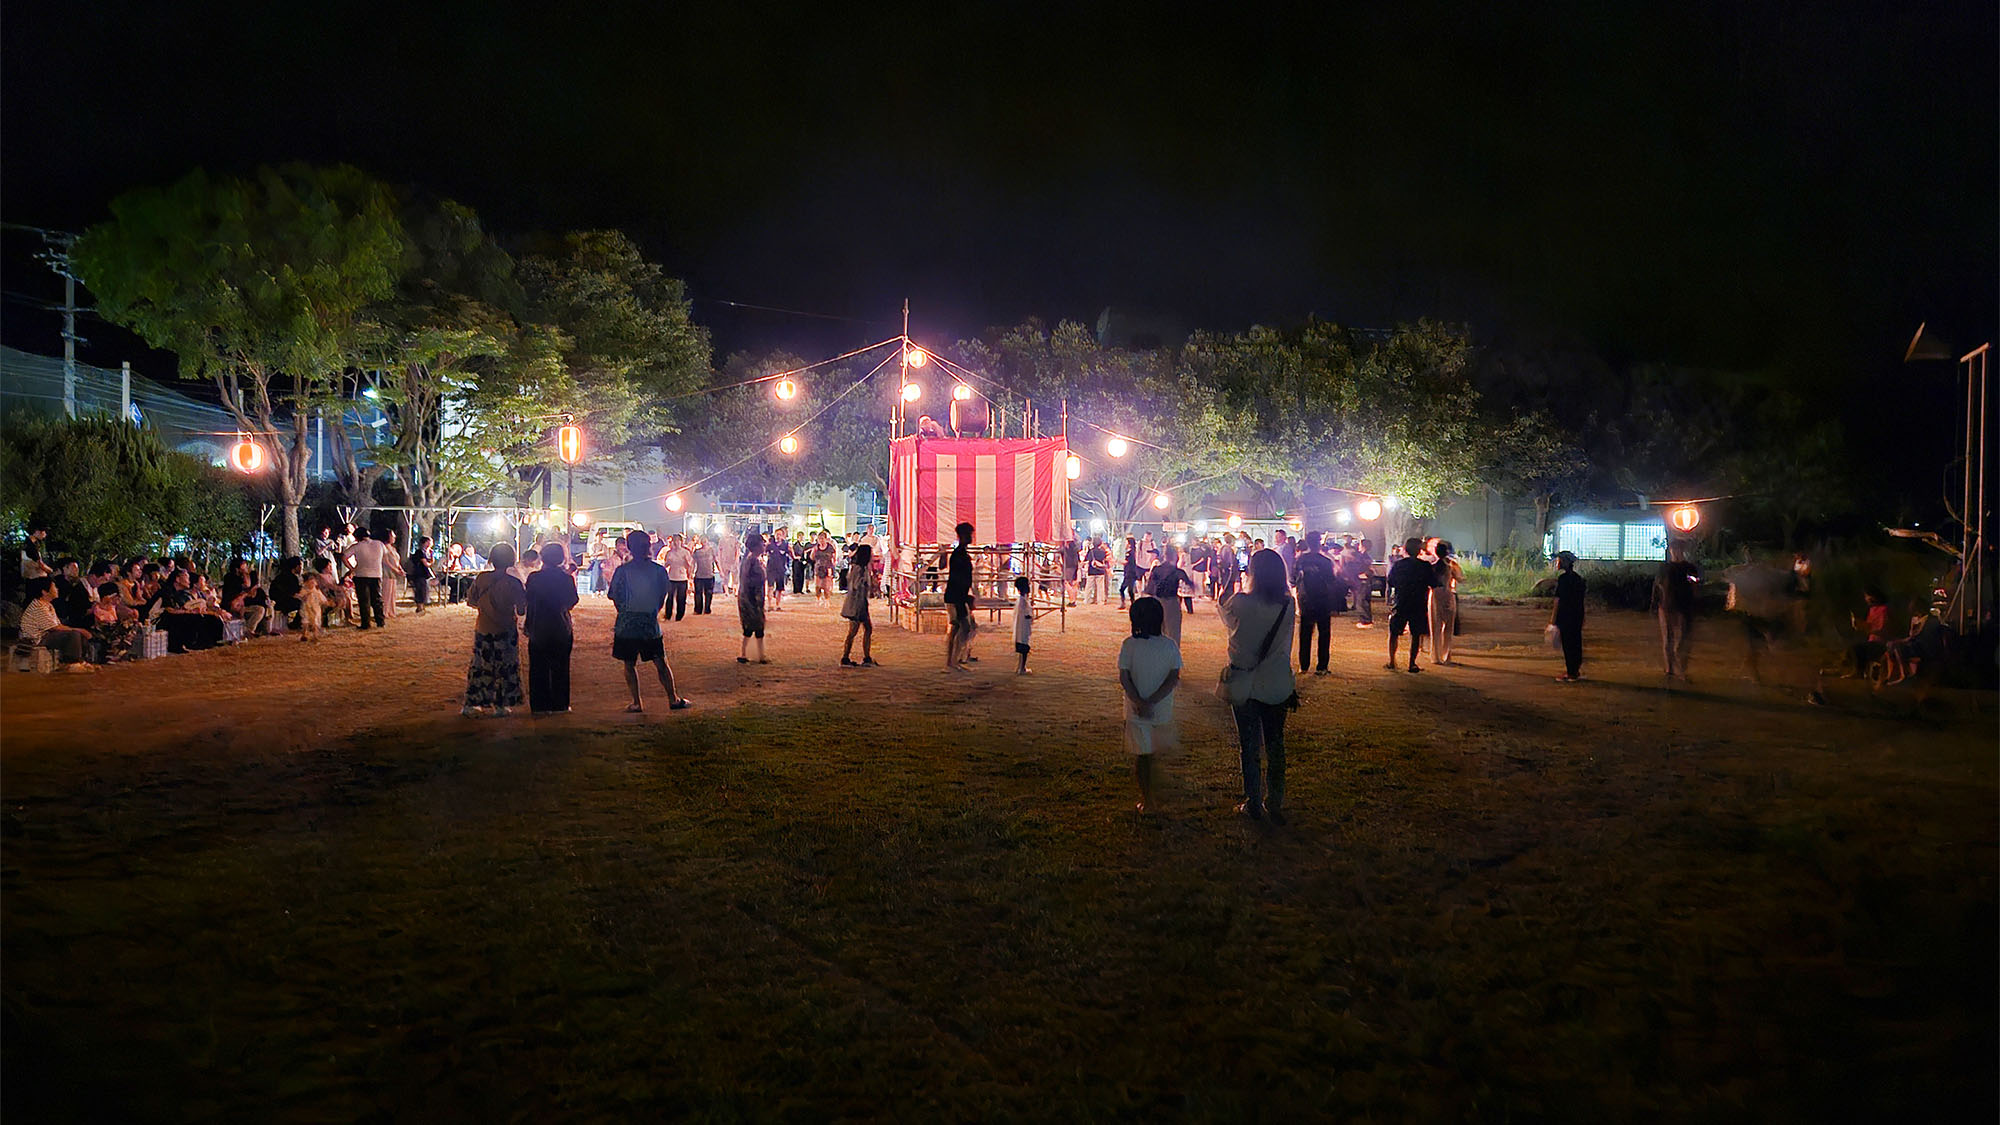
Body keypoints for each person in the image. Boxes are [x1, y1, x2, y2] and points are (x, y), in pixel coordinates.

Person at [1217, 550, 1297, 823]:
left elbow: (1226, 615)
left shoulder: (1240, 602)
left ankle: (1253, 801)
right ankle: (1275, 800)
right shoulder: (1289, 605)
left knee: (1249, 746)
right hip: (1277, 682)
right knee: (1276, 744)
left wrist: (1228, 583)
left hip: (1245, 684)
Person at [607, 530, 692, 712]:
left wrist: (624, 611)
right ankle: (673, 698)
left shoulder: (623, 571)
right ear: (649, 546)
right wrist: (653, 611)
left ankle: (637, 702)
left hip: (627, 622)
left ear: (630, 547)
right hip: (648, 622)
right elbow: (662, 595)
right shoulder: (658, 571)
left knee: (629, 664)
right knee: (660, 662)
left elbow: (614, 595)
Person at [1119, 596, 1182, 813]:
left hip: (1136, 711)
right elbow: (1173, 677)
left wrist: (1139, 701)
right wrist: (1154, 701)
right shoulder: (1170, 645)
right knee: (1154, 753)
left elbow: (1124, 677)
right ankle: (1155, 792)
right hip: (1160, 709)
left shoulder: (1129, 645)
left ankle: (1147, 799)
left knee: (1143, 757)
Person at [462, 543, 526, 717]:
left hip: (483, 627)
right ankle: (501, 704)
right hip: (506, 628)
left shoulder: (482, 578)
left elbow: (471, 601)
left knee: (480, 666)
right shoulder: (514, 583)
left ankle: (473, 702)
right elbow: (521, 609)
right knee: (505, 667)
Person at [524, 542, 579, 714]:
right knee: (561, 666)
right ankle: (560, 704)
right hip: (560, 626)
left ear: (542, 558)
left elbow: (528, 600)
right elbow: (572, 601)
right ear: (561, 558)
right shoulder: (566, 578)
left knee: (538, 667)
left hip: (538, 625)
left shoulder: (534, 578)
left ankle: (540, 705)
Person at [1385, 537, 1435, 673]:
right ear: (1419, 550)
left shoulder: (1399, 565)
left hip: (1402, 601)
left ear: (1405, 549)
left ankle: (1391, 661)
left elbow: (1391, 581)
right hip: (1418, 602)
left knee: (1394, 632)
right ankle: (1412, 663)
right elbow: (1434, 583)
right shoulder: (1425, 566)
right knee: (1415, 634)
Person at [1292, 531, 1339, 675]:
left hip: (1305, 599)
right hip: (1322, 599)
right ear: (1319, 543)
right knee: (1324, 632)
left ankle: (1304, 665)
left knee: (1305, 633)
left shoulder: (1300, 560)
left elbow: (1293, 579)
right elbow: (1331, 580)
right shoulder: (1324, 561)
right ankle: (1322, 666)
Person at [1652, 542, 1699, 680]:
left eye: (1679, 550)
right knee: (1668, 638)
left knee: (1683, 637)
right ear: (1670, 551)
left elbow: (1695, 583)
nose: (1677, 552)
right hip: (1667, 606)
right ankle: (1669, 669)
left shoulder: (1689, 568)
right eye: (1674, 550)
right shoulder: (1664, 568)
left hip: (1684, 605)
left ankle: (1681, 668)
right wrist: (1656, 602)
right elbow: (1658, 585)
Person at [19, 577, 91, 666]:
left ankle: (81, 661)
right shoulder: (38, 606)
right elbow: (55, 627)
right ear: (44, 592)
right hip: (37, 639)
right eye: (54, 587)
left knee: (77, 633)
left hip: (46, 635)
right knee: (73, 634)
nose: (57, 589)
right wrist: (79, 630)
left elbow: (58, 624)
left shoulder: (48, 605)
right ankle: (72, 663)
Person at [944, 522, 977, 671]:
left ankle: (954, 659)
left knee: (964, 627)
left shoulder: (961, 555)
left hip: (959, 596)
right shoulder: (959, 556)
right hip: (956, 596)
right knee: (958, 626)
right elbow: (958, 580)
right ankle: (952, 660)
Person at [342, 528, 390, 630]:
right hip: (376, 574)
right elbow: (385, 556)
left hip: (361, 575)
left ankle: (366, 623)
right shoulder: (379, 544)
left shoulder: (357, 546)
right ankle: (380, 621)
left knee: (364, 600)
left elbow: (344, 556)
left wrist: (352, 568)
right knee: (377, 599)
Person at [839, 544, 878, 667]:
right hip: (857, 603)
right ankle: (846, 658)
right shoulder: (859, 569)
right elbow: (856, 586)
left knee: (865, 629)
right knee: (854, 631)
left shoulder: (860, 568)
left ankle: (865, 657)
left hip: (860, 603)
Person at [1147, 545, 1194, 643]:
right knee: (1173, 631)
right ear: (1175, 557)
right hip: (1171, 602)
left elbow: (1149, 588)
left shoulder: (1156, 569)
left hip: (1156, 601)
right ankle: (1171, 653)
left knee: (1158, 630)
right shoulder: (1177, 571)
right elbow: (1189, 583)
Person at [1552, 550, 1586, 682]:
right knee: (1576, 642)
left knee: (1568, 644)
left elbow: (1558, 600)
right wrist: (1583, 617)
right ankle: (1575, 670)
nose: (1557, 563)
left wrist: (1553, 619)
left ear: (1564, 563)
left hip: (1565, 616)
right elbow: (1581, 600)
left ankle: (1571, 673)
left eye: (1559, 560)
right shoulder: (1579, 579)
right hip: (1577, 615)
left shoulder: (1563, 580)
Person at [1429, 540, 1464, 666]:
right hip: (1448, 593)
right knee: (1448, 626)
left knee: (1435, 626)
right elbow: (1461, 579)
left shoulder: (1431, 566)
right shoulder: (1451, 565)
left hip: (1434, 595)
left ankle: (1436, 656)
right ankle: (1446, 655)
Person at [737, 530, 769, 664]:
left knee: (750, 627)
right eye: (762, 544)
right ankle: (759, 655)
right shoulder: (753, 561)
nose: (764, 546)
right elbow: (752, 582)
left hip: (748, 597)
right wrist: (756, 601)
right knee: (756, 626)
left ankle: (746, 653)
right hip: (751, 598)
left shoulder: (749, 559)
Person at [661, 533, 693, 622]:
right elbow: (666, 564)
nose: (675, 543)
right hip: (671, 578)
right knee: (669, 597)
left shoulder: (685, 552)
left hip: (682, 578)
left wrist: (690, 575)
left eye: (677, 541)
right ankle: (668, 615)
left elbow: (689, 565)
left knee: (681, 598)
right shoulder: (669, 553)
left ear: (681, 542)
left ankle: (679, 616)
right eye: (674, 541)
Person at [1347, 539, 1376, 628]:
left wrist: (1364, 574)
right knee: (1364, 600)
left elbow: (1366, 568)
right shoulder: (1365, 557)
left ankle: (1365, 621)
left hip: (1362, 581)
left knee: (1361, 601)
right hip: (1364, 581)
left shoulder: (1363, 557)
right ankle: (1367, 620)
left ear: (1363, 546)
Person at [380, 530, 405, 617]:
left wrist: (400, 569)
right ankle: (384, 611)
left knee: (392, 593)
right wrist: (396, 570)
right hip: (387, 572)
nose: (394, 538)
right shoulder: (384, 547)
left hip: (393, 573)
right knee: (386, 592)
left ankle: (391, 611)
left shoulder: (393, 548)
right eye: (392, 536)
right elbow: (385, 561)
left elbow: (397, 561)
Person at [1012, 575, 1034, 674]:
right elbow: (1027, 615)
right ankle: (1022, 668)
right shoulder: (1023, 602)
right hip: (1023, 627)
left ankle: (1020, 667)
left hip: (1021, 627)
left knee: (1022, 647)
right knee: (1024, 647)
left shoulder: (1021, 600)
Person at [408, 536, 435, 614]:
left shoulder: (428, 552)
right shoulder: (419, 552)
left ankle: (422, 606)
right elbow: (426, 564)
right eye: (429, 542)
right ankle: (419, 607)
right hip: (419, 574)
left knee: (424, 590)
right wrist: (430, 562)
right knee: (420, 590)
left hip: (424, 574)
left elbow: (430, 562)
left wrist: (431, 557)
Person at [691, 535, 717, 614]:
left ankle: (707, 609)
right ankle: (698, 610)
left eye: (705, 541)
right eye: (702, 541)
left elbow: (716, 561)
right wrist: (691, 572)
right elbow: (693, 563)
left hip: (709, 575)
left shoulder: (711, 550)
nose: (704, 543)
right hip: (699, 575)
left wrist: (720, 571)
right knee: (698, 594)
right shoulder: (697, 552)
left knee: (709, 594)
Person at [812, 531, 838, 603]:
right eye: (819, 539)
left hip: (827, 567)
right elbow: (812, 557)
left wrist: (833, 566)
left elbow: (834, 557)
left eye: (822, 538)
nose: (821, 540)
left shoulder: (830, 547)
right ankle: (818, 599)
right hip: (818, 567)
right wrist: (813, 551)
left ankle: (827, 600)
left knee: (826, 586)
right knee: (818, 585)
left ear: (826, 539)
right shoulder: (816, 547)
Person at [1084, 536, 1110, 604]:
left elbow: (1086, 559)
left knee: (1089, 587)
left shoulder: (1091, 551)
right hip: (1100, 570)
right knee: (1100, 587)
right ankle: (1100, 601)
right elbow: (1104, 559)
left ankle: (1087, 600)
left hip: (1091, 570)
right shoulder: (1102, 551)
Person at [1117, 536, 1140, 609]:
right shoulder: (1133, 552)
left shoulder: (1130, 552)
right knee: (1129, 589)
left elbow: (1126, 562)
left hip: (1130, 573)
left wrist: (1117, 561)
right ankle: (1132, 603)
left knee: (1124, 589)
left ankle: (1126, 604)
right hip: (1131, 573)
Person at [1059, 535, 1081, 606]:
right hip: (1075, 566)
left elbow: (1059, 552)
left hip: (1068, 566)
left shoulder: (1065, 549)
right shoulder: (1075, 549)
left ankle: (1071, 600)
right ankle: (1074, 600)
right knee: (1073, 583)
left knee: (1066, 583)